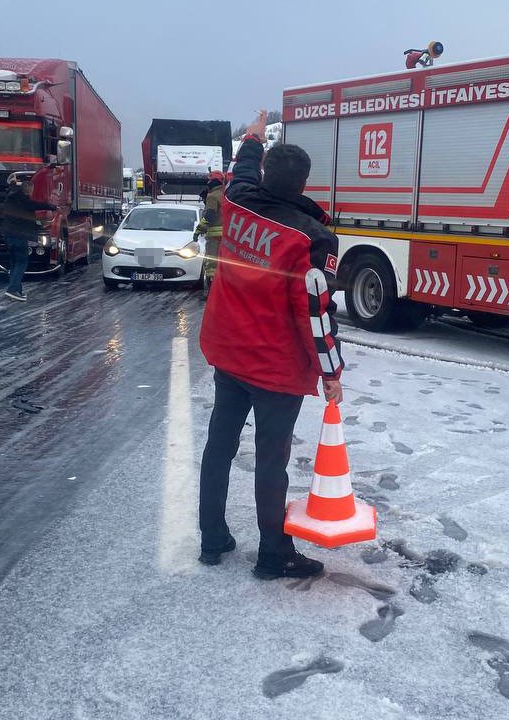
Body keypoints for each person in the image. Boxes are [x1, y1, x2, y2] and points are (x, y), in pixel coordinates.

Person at [198, 110, 345, 580]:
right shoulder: (314, 240)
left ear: (265, 175)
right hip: (275, 368)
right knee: (270, 460)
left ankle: (212, 537)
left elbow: (242, 169)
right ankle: (273, 553)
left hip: (228, 353)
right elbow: (316, 315)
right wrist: (332, 373)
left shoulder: (238, 201)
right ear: (303, 184)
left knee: (219, 446)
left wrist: (254, 135)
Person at [2, 177, 56, 302]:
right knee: (21, 263)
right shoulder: (26, 201)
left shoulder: (10, 197)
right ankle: (12, 290)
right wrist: (54, 207)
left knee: (14, 263)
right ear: (29, 191)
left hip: (8, 235)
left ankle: (17, 291)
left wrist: (13, 184)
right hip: (19, 236)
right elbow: (39, 205)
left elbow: (12, 189)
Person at [193, 170, 225, 299]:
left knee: (211, 264)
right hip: (226, 237)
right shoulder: (225, 194)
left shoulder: (212, 196)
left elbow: (209, 216)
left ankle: (212, 293)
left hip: (214, 237)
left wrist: (198, 230)